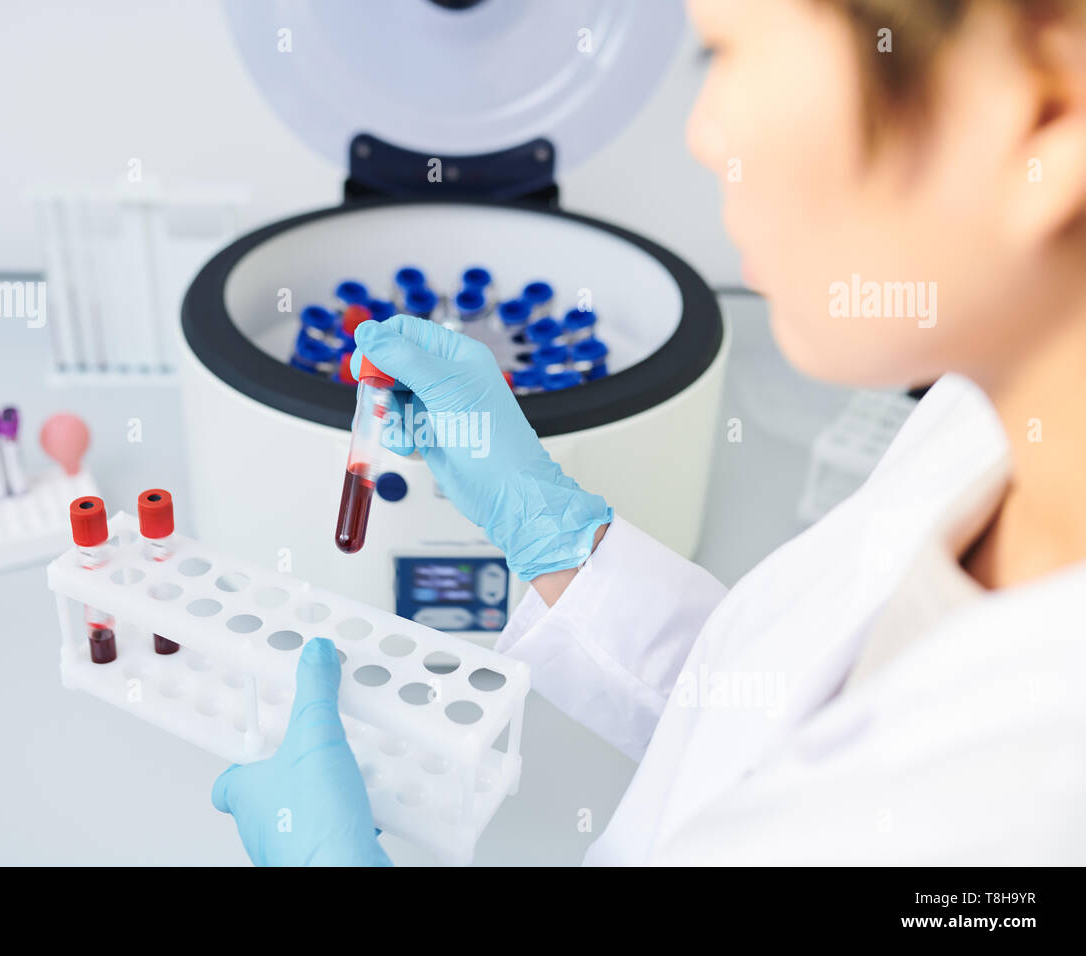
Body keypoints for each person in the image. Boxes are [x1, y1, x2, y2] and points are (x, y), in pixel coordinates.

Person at [213, 0, 1086, 865]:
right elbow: (772, 730)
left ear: (1047, 108)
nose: (704, 134)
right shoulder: (986, 421)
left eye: (724, 56)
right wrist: (555, 536)